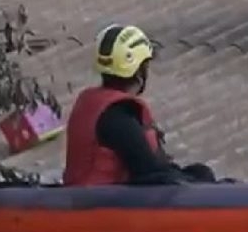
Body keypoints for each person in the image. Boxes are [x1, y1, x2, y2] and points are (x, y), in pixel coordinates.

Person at [62, 24, 219, 186]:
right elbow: (150, 173)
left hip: (93, 198)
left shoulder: (95, 105)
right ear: (139, 71)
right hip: (103, 204)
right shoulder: (117, 118)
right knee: (201, 176)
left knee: (200, 172)